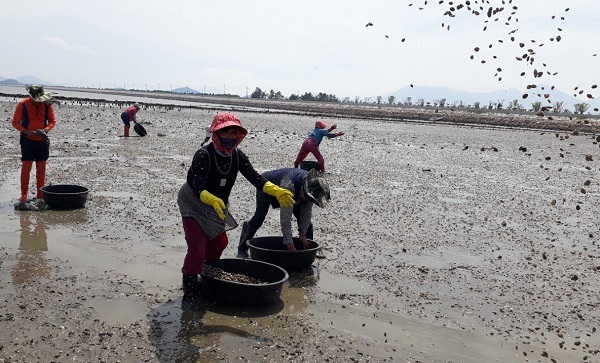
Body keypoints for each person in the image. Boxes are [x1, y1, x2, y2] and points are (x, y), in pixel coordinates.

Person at [177, 112, 295, 311]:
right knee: (196, 247)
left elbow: (255, 178)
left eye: (235, 134)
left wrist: (275, 190)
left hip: (218, 205)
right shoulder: (204, 155)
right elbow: (197, 185)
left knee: (220, 242)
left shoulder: (237, 157)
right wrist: (210, 198)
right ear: (216, 133)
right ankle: (189, 291)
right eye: (226, 133)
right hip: (194, 203)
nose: (230, 138)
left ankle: (206, 275)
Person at [236, 167, 330, 259]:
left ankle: (309, 252)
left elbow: (306, 213)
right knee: (259, 217)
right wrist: (289, 244)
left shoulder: (312, 189)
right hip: (267, 185)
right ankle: (242, 249)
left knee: (306, 223)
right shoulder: (289, 185)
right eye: (310, 199)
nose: (310, 202)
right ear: (306, 192)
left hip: (296, 193)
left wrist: (302, 234)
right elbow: (285, 219)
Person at [12, 85, 58, 202]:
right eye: (35, 100)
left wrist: (45, 130)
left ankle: (40, 194)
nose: (38, 102)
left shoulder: (47, 105)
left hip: (42, 141)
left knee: (41, 169)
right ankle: (24, 195)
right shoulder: (22, 105)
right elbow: (15, 122)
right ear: (31, 97)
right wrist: (27, 131)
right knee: (26, 168)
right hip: (27, 141)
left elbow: (52, 121)